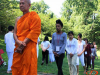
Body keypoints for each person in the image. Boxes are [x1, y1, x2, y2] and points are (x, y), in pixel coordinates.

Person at [11, 0, 41, 75]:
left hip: (28, 46)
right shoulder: (18, 19)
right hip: (18, 44)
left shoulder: (33, 16)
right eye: (20, 3)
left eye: (23, 3)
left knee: (28, 65)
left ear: (29, 5)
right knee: (18, 66)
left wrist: (23, 44)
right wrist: (18, 42)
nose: (21, 5)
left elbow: (34, 31)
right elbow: (14, 33)